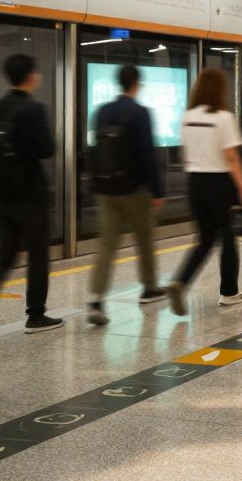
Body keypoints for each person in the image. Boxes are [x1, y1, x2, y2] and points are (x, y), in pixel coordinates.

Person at [0, 54, 61, 347]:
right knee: (39, 256)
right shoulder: (33, 109)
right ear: (31, 76)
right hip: (30, 196)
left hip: (1, 197)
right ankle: (36, 315)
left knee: (5, 257)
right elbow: (45, 150)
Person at [164, 68, 242, 313]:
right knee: (228, 238)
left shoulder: (188, 116)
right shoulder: (224, 118)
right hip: (220, 183)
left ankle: (180, 282)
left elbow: (184, 153)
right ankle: (229, 292)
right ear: (220, 90)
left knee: (204, 239)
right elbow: (232, 158)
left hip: (195, 183)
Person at [86, 64, 166, 326]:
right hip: (135, 190)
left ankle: (96, 299)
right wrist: (157, 190)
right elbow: (147, 154)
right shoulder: (139, 112)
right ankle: (150, 287)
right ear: (136, 84)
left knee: (106, 246)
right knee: (144, 239)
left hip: (106, 190)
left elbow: (94, 149)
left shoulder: (101, 112)